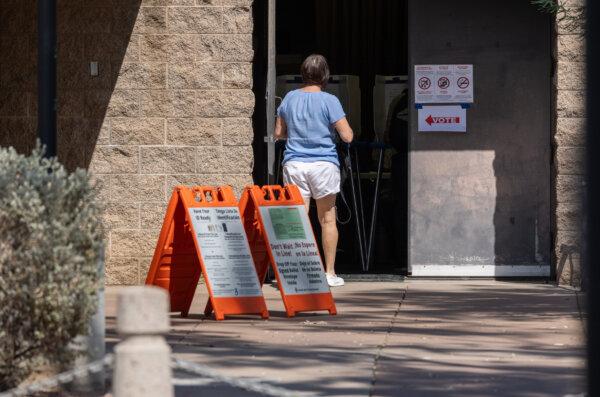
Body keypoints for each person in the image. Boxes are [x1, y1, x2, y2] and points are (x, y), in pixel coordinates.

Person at [273, 54, 354, 287]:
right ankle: (329, 273)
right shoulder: (330, 100)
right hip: (323, 165)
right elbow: (347, 135)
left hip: (295, 165)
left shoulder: (289, 98)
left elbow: (279, 133)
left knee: (298, 220)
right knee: (327, 219)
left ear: (303, 73)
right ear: (325, 76)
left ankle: (298, 273)